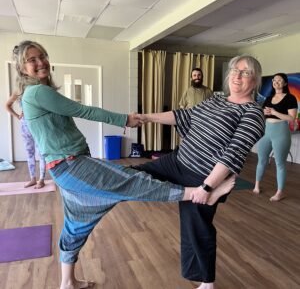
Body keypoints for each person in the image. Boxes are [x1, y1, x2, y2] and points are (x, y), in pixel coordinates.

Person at [13, 40, 235, 289]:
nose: (40, 62)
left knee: (76, 224)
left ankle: (67, 282)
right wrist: (125, 119)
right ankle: (198, 193)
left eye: (42, 56)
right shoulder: (38, 92)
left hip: (66, 167)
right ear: (22, 68)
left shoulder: (36, 93)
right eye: (32, 60)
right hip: (70, 165)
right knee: (130, 181)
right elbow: (82, 110)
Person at [136, 55, 265, 289]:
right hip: (177, 160)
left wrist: (207, 187)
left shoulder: (253, 113)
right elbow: (184, 116)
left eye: (245, 72)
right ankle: (92, 187)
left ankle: (207, 283)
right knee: (133, 177)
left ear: (255, 80)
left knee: (196, 229)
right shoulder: (215, 100)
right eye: (235, 70)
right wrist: (145, 117)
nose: (237, 75)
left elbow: (233, 153)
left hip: (202, 176)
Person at [252, 73, 298, 201]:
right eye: (274, 80)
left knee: (280, 163)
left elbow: (291, 118)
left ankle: (280, 192)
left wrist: (274, 112)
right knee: (261, 160)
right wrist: (264, 112)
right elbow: (263, 114)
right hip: (267, 131)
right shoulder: (268, 98)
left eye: (279, 80)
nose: (276, 82)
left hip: (281, 132)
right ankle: (257, 185)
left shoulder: (290, 98)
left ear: (285, 83)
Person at [6, 93, 46, 189]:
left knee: (42, 153)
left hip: (38, 125)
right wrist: (17, 116)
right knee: (29, 153)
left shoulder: (37, 89)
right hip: (25, 126)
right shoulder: (19, 91)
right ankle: (32, 179)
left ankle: (41, 180)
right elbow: (7, 105)